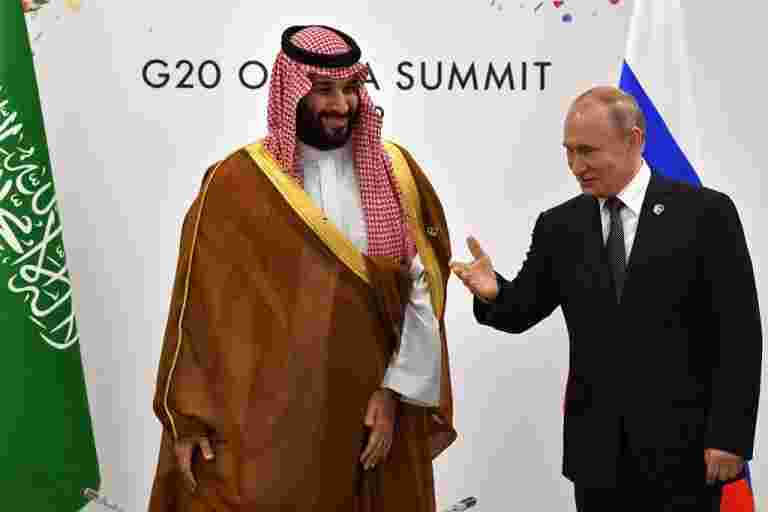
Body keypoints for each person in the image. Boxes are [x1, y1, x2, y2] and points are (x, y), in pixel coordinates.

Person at [148, 25, 456, 511]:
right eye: (324, 89)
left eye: (350, 88)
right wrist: (187, 419)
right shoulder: (237, 181)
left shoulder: (395, 173)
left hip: (375, 414)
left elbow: (420, 293)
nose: (341, 104)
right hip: (275, 426)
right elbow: (202, 307)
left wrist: (394, 393)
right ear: (291, 91)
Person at [451, 86, 761, 511]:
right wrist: (493, 293)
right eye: (568, 151)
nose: (576, 166)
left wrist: (729, 436)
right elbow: (521, 309)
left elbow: (739, 333)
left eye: (587, 151)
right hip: (597, 456)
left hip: (685, 453)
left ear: (634, 140)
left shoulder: (706, 214)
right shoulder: (560, 226)